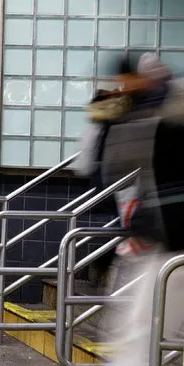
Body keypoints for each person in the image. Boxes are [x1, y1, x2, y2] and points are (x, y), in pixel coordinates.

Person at [75, 53, 184, 365]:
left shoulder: (160, 109)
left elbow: (101, 165)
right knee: (143, 324)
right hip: (159, 232)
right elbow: (99, 166)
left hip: (168, 236)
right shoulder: (139, 108)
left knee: (143, 327)